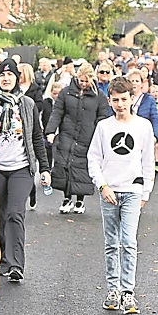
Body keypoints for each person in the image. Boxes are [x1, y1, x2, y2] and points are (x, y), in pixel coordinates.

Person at [0, 58, 50, 282]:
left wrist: (44, 168)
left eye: (10, 75)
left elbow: (37, 137)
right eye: (2, 75)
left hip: (21, 168)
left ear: (17, 78)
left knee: (15, 213)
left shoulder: (26, 104)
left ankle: (16, 264)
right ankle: (0, 260)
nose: (6, 79)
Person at [89, 77, 155, 315]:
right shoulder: (104, 127)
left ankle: (128, 291)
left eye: (124, 99)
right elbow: (94, 159)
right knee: (111, 243)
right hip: (109, 191)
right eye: (115, 100)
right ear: (109, 100)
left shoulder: (143, 127)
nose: (120, 104)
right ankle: (113, 289)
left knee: (129, 241)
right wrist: (102, 186)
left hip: (133, 190)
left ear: (131, 99)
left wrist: (145, 191)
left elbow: (148, 161)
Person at [47, 64, 109, 214]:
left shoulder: (99, 96)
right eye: (81, 80)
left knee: (82, 167)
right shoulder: (66, 93)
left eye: (86, 81)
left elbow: (103, 116)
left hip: (87, 136)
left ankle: (80, 200)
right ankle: (67, 198)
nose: (83, 84)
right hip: (67, 134)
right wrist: (50, 131)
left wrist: (99, 136)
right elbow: (57, 112)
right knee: (64, 165)